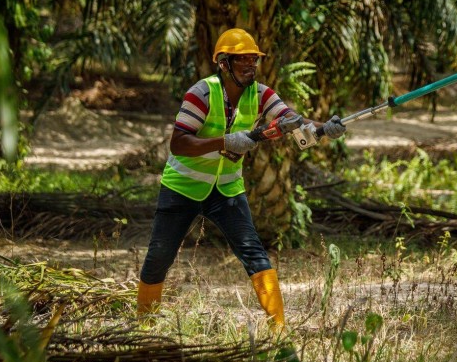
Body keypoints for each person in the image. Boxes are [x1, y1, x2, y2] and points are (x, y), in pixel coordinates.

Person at [136, 28, 346, 327]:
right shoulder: (202, 93)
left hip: (226, 188)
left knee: (253, 253)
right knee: (159, 256)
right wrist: (225, 141)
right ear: (224, 63)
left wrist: (325, 128)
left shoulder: (260, 93)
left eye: (254, 60)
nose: (250, 66)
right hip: (182, 187)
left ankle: (278, 329)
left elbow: (292, 121)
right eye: (243, 60)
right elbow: (179, 143)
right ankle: (144, 325)